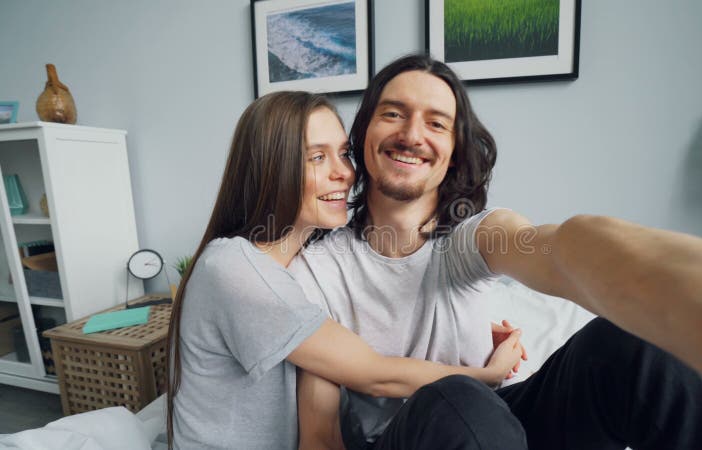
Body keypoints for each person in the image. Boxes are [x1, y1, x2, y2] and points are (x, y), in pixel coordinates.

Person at [289, 54, 702, 449]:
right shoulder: (317, 270)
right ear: (365, 135)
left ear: (454, 154)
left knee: (636, 343)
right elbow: (319, 438)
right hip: (402, 439)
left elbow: (554, 250)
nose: (412, 134)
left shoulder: (472, 238)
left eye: (437, 124)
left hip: (502, 427)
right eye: (393, 113)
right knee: (460, 398)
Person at [165, 91, 527, 449]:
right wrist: (487, 377)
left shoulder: (293, 271)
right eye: (317, 157)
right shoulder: (232, 267)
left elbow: (345, 341)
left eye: (343, 154)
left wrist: (468, 325)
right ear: (271, 169)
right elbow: (373, 373)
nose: (345, 173)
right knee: (464, 408)